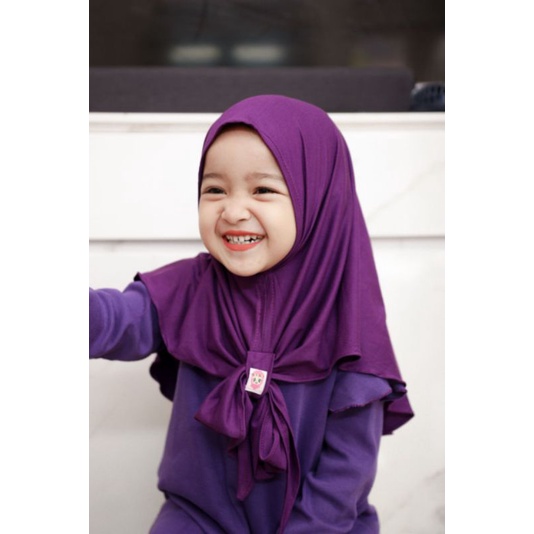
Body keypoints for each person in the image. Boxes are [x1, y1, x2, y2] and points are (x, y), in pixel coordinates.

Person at [90, 95, 414, 534]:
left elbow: (345, 474)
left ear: (320, 199)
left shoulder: (349, 322)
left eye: (262, 190)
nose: (233, 211)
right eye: (214, 190)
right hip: (198, 519)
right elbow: (113, 319)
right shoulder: (189, 288)